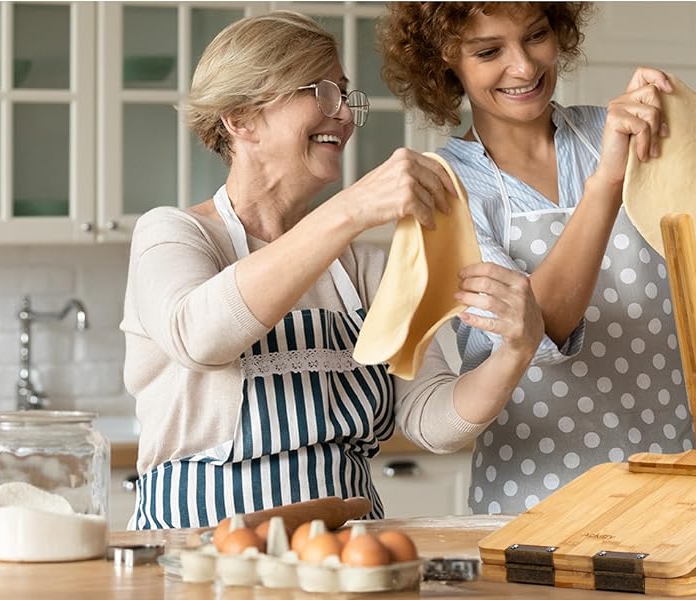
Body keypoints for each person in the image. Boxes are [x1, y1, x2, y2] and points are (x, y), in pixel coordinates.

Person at [378, 2, 696, 513]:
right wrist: (608, 183)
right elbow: (537, 334)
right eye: (488, 51)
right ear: (445, 62)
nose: (524, 67)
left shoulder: (630, 136)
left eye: (535, 36)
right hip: (535, 502)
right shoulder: (444, 190)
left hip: (673, 492)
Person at [120, 10, 544, 529]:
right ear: (240, 118)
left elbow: (432, 421)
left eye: (344, 95)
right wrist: (350, 208)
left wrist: (517, 349)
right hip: (201, 550)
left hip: (348, 551)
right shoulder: (174, 235)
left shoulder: (363, 267)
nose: (344, 114)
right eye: (321, 92)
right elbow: (201, 336)